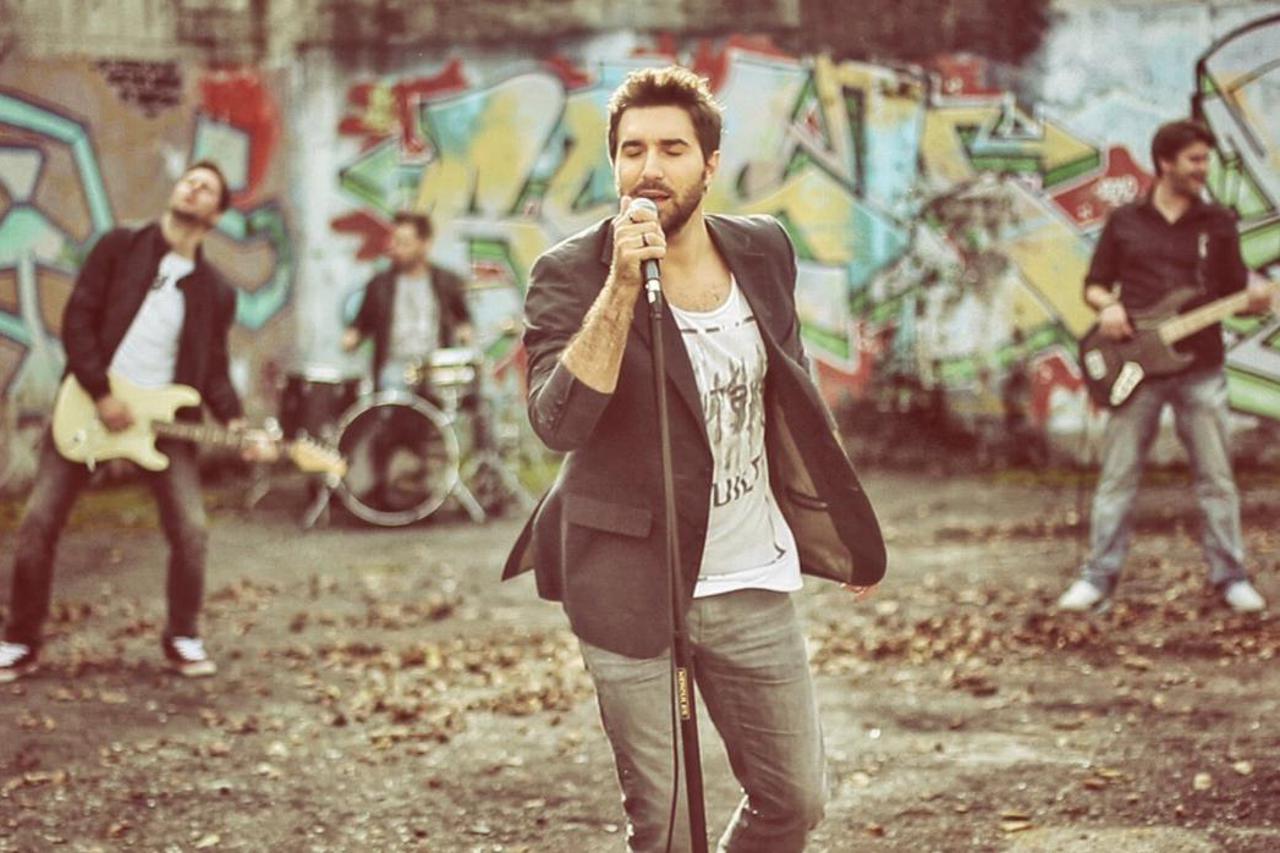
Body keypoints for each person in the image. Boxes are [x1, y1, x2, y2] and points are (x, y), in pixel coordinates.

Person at [501, 66, 886, 852]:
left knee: (796, 798)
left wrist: (837, 520)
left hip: (749, 574)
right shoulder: (570, 273)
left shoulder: (762, 248)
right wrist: (620, 286)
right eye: (632, 149)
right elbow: (558, 424)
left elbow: (794, 392)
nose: (650, 168)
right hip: (629, 581)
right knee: (670, 831)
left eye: (672, 149)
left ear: (710, 164)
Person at [1, 161, 275, 683]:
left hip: (163, 426)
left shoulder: (215, 292)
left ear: (216, 214)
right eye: (189, 180)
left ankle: (183, 636)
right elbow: (78, 320)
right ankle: (19, 641)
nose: (192, 187)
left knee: (191, 530)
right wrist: (101, 393)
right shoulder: (119, 248)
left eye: (206, 188)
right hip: (87, 408)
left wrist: (238, 424)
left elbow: (213, 370)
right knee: (38, 523)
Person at [1058, 120, 1273, 614]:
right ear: (1165, 163)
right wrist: (1108, 308)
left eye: (1206, 159)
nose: (1204, 168)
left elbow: (1232, 293)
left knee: (1216, 480)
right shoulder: (1125, 221)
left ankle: (1231, 577)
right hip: (1136, 370)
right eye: (1195, 159)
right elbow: (1094, 285)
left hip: (1201, 368)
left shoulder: (1217, 222)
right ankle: (1097, 577)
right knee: (1118, 478)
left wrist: (1255, 299)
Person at [341, 210, 473, 394]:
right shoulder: (380, 284)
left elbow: (463, 318)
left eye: (404, 243)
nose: (396, 248)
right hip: (395, 367)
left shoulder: (446, 282)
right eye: (395, 241)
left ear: (424, 244)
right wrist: (353, 336)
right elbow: (362, 323)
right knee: (392, 382)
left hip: (433, 367)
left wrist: (465, 332)